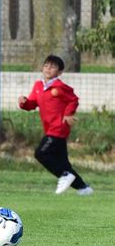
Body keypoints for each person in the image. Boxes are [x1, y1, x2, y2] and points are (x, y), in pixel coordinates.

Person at [18, 55, 93, 195]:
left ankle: (64, 175)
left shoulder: (60, 87)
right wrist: (23, 102)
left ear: (59, 72)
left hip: (59, 127)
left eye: (53, 67)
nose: (48, 69)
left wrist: (68, 113)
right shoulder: (38, 86)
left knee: (41, 153)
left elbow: (73, 100)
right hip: (49, 128)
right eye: (46, 65)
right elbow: (32, 104)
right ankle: (84, 188)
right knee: (63, 162)